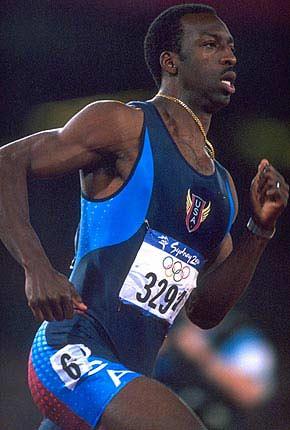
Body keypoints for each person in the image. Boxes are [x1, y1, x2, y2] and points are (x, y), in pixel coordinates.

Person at [0, 3, 288, 430]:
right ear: (170, 61)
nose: (229, 56)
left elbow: (205, 311)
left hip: (129, 380)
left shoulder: (223, 190)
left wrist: (260, 229)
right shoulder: (123, 125)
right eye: (210, 45)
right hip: (74, 353)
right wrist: (35, 266)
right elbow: (7, 161)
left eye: (230, 47)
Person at [154, 310, 278, 429]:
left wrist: (201, 355)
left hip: (211, 419)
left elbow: (252, 393)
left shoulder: (242, 337)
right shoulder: (170, 327)